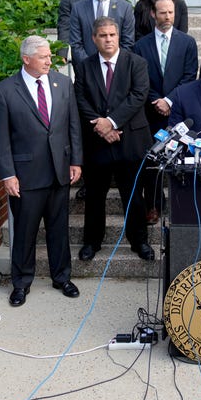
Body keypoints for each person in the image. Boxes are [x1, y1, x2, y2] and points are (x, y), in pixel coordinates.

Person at [0, 36, 83, 306]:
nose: (49, 60)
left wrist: (76, 160)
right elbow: (1, 138)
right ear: (26, 59)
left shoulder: (63, 83)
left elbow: (73, 125)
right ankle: (21, 283)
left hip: (59, 171)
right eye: (43, 56)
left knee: (59, 230)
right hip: (25, 176)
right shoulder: (5, 90)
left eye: (49, 56)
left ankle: (62, 277)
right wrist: (7, 174)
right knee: (24, 232)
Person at [74, 17, 154, 262]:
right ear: (94, 39)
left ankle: (139, 241)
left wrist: (112, 122)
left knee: (133, 195)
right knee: (95, 196)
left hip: (130, 140)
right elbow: (80, 98)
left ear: (118, 37)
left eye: (112, 35)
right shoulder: (85, 66)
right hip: (97, 142)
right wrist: (101, 126)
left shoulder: (136, 63)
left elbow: (139, 95)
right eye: (102, 35)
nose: (108, 39)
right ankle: (92, 242)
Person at [133, 0, 198, 224]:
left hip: (179, 111)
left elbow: (190, 76)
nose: (168, 16)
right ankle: (154, 206)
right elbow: (139, 81)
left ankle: (185, 206)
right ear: (153, 14)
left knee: (182, 159)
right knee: (152, 161)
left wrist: (169, 101)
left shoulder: (187, 43)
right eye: (162, 12)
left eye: (171, 12)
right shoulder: (140, 45)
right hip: (150, 112)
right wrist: (157, 101)